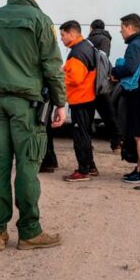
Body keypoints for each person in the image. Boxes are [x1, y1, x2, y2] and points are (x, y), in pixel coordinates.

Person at [0, 0, 66, 252]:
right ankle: (29, 232)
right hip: (26, 105)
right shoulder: (41, 21)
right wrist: (60, 102)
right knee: (27, 165)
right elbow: (51, 67)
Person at [109, 13, 140, 184]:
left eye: (122, 29)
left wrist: (114, 73)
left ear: (129, 27)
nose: (120, 32)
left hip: (139, 94)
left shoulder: (135, 45)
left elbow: (129, 68)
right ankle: (139, 169)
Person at [59, 20, 99, 182]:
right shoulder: (87, 46)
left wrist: (60, 75)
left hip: (80, 99)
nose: (61, 38)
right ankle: (90, 166)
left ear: (72, 33)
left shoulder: (77, 52)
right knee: (85, 133)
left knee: (80, 136)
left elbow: (75, 78)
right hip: (88, 98)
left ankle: (83, 171)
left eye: (63, 35)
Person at [88, 19, 121, 153]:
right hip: (100, 84)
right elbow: (104, 61)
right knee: (108, 115)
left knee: (87, 116)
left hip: (90, 83)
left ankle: (87, 144)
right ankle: (116, 143)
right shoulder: (105, 40)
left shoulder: (88, 40)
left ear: (91, 28)